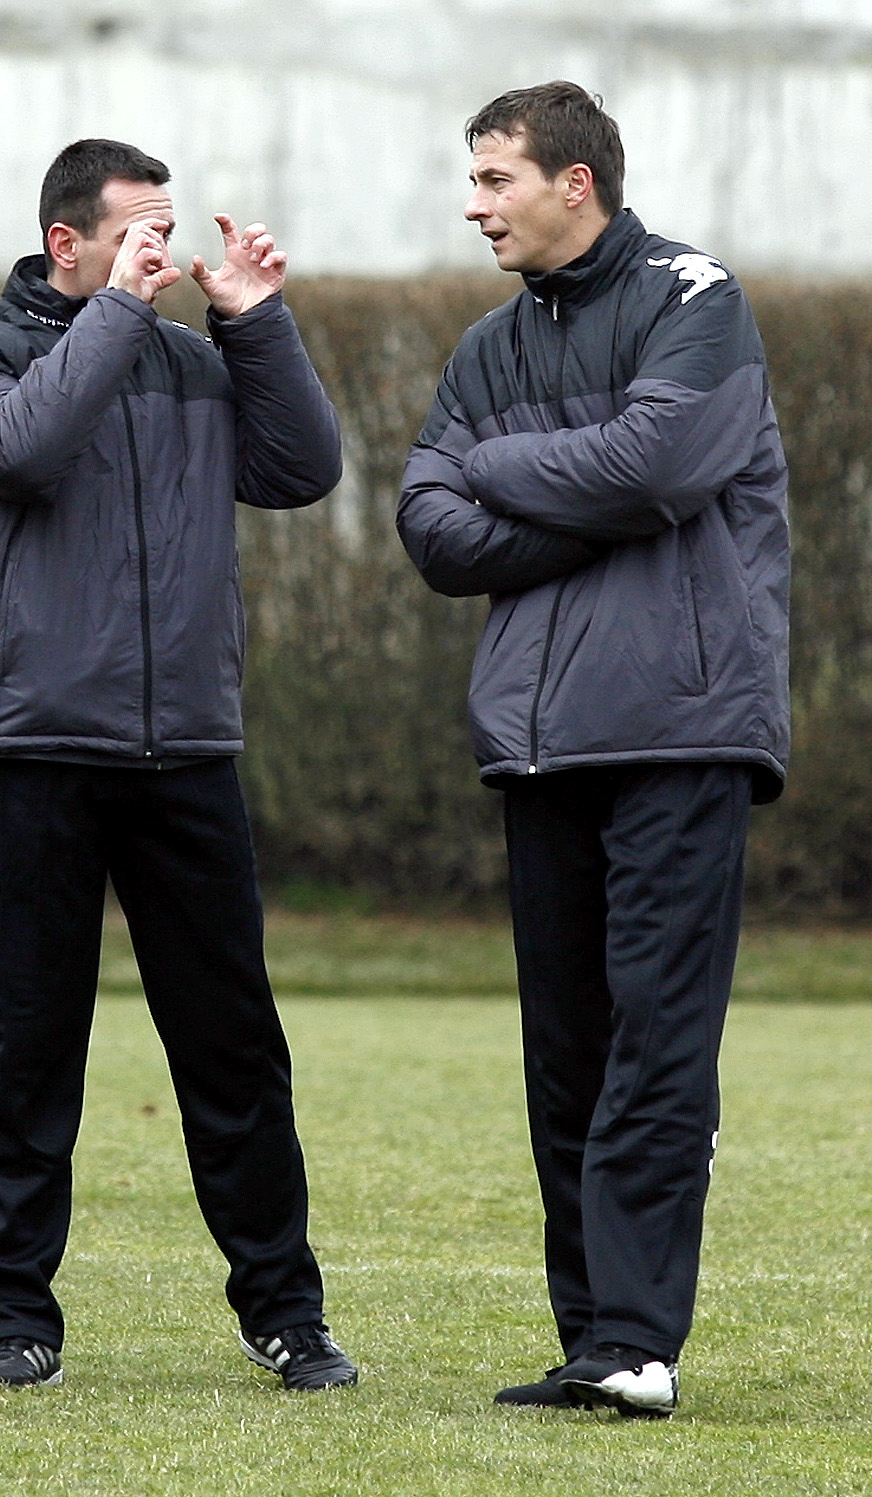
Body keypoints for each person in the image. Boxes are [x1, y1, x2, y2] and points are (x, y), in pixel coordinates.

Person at [0, 138, 355, 1391]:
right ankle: (15, 1323)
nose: (162, 254)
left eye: (168, 232)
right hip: (29, 750)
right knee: (27, 1049)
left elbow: (301, 469)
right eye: (138, 233)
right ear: (68, 244)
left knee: (233, 1051)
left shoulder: (182, 358)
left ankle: (288, 1316)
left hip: (187, 753)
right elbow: (18, 448)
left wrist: (258, 326)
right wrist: (114, 313)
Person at [396, 83, 789, 1420]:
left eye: (497, 178)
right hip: (541, 739)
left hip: (683, 725)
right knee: (565, 1051)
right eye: (475, 178)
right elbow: (429, 526)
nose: (475, 203)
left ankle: (636, 1338)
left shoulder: (695, 296)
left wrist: (509, 466)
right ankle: (591, 1341)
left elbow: (662, 464)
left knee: (656, 1043)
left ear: (577, 184)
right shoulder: (486, 344)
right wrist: (593, 487)